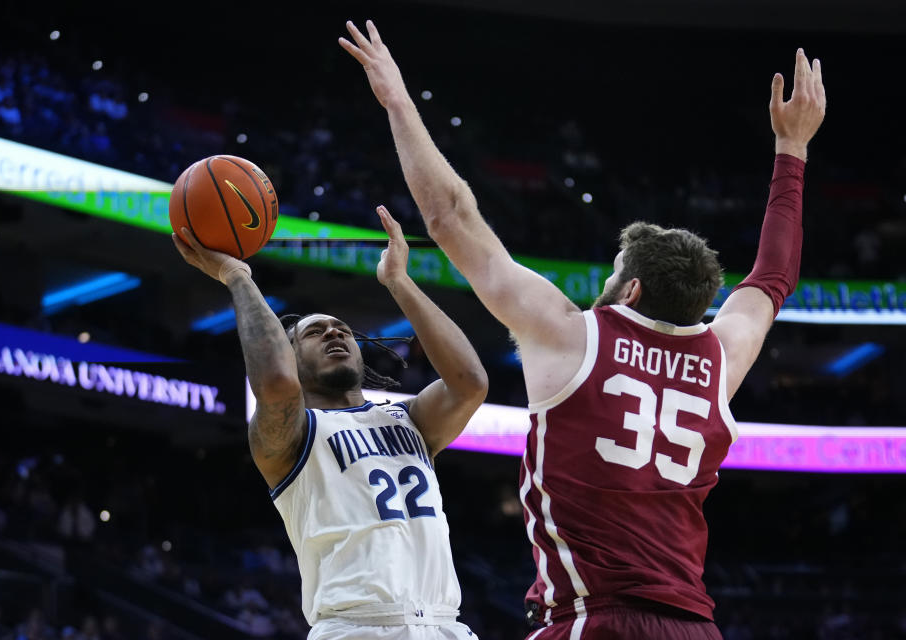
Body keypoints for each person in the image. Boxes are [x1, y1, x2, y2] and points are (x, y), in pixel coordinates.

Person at [341, 20, 825, 639]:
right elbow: (773, 276)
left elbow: (450, 216)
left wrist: (397, 100)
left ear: (632, 289)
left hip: (593, 620)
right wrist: (794, 151)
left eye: (615, 270)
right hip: (696, 626)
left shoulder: (575, 337)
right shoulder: (721, 357)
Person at [172, 204, 487, 639]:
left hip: (445, 626)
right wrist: (237, 277)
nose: (335, 333)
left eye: (342, 329)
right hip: (355, 629)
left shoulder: (410, 418)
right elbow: (277, 383)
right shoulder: (292, 435)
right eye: (314, 333)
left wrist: (399, 281)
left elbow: (470, 381)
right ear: (293, 358)